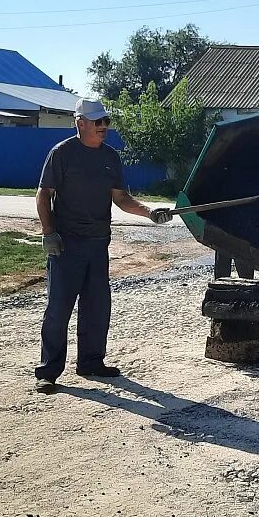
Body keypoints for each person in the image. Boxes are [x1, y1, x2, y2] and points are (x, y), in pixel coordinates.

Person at [34, 98, 169, 392]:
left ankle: (91, 362)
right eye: (98, 122)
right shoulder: (62, 153)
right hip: (66, 244)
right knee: (59, 308)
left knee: (97, 307)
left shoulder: (110, 157)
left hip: (98, 244)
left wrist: (149, 212)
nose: (104, 126)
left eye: (106, 121)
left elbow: (121, 198)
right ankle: (48, 371)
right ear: (80, 123)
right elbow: (44, 194)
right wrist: (49, 233)